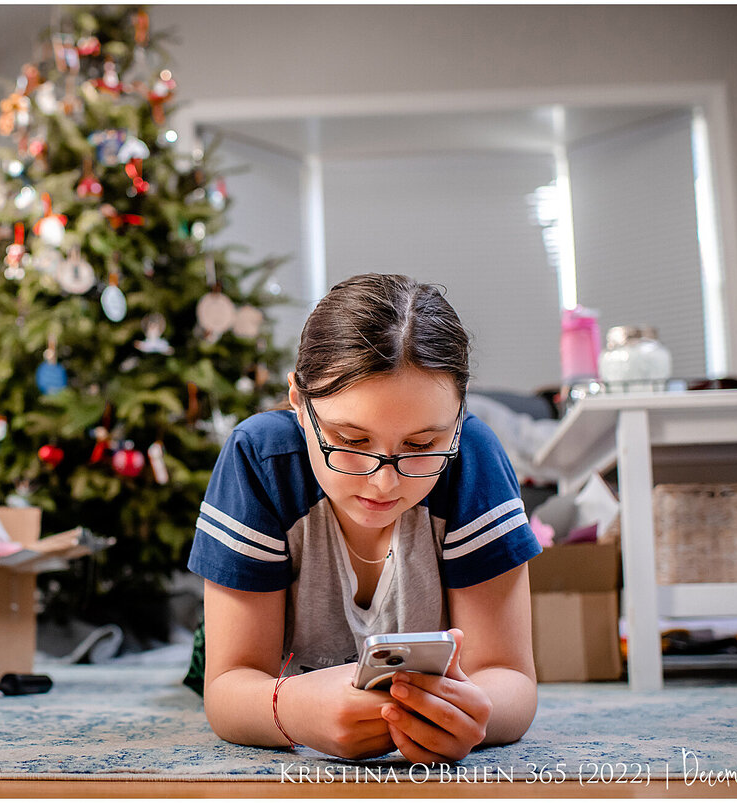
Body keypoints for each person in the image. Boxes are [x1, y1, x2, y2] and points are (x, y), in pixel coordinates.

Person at [187, 273, 541, 763]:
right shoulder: (260, 459)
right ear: (297, 402)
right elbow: (228, 687)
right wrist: (289, 708)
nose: (384, 483)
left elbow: (510, 679)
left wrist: (474, 717)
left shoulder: (473, 459)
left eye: (421, 446)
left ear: (458, 421)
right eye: (351, 442)